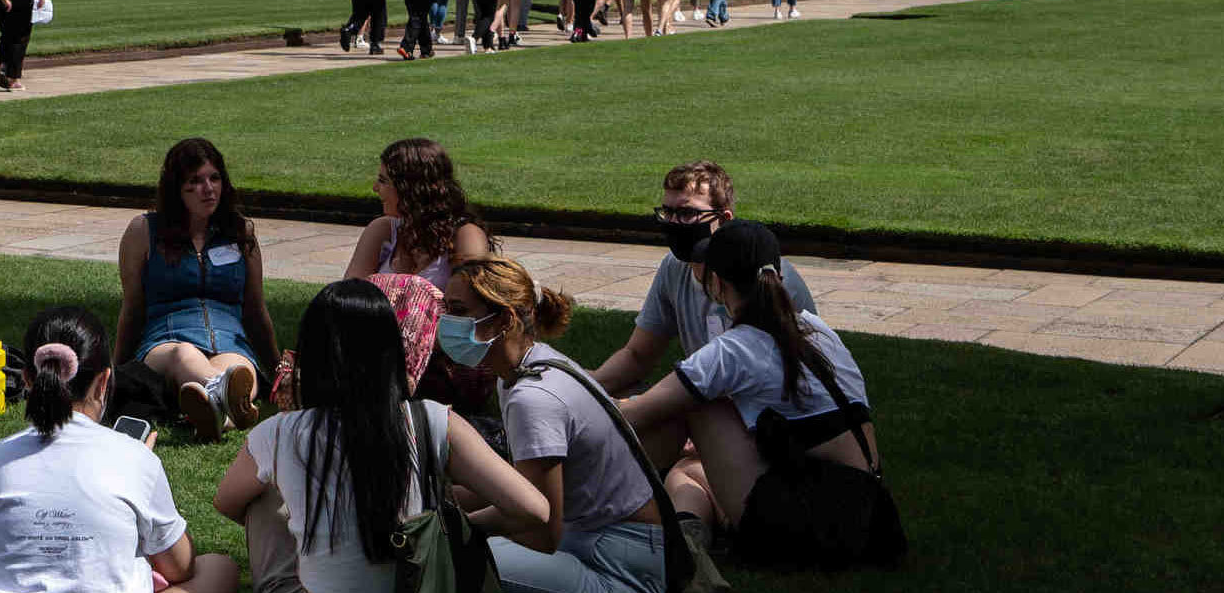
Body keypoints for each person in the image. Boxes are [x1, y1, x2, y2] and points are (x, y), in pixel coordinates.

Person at [216, 279, 550, 593]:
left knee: (261, 497)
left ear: (312, 355)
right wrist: (459, 527)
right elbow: (534, 510)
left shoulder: (277, 434)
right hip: (421, 579)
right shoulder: (432, 420)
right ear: (391, 351)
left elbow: (227, 502)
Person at [617, 224, 899, 569]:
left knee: (689, 405)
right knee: (689, 469)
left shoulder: (734, 349)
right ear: (778, 274)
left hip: (804, 529)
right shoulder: (819, 331)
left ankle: (606, 509)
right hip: (872, 518)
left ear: (716, 284)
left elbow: (635, 417)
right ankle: (681, 524)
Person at [0, 307, 239, 593]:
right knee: (218, 567)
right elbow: (179, 567)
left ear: (28, 380)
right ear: (104, 382)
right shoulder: (134, 459)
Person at [442, 257, 672, 593]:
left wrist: (452, 526)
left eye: (459, 310)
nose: (446, 321)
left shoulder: (532, 399)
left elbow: (539, 531)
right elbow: (519, 489)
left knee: (440, 555)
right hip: (597, 541)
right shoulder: (527, 368)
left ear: (503, 320)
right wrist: (438, 501)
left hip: (616, 566)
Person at [589, 161, 818, 400]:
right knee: (613, 395)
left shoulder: (765, 276)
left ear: (725, 219)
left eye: (688, 214)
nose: (674, 223)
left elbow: (789, 378)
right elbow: (638, 355)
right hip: (706, 396)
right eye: (668, 212)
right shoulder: (675, 267)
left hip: (764, 409)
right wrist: (586, 388)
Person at [115, 138, 278, 438]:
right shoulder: (144, 231)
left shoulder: (240, 231)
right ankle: (227, 402)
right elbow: (133, 308)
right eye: (196, 180)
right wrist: (116, 371)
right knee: (184, 354)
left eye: (214, 178)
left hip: (229, 340)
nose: (209, 188)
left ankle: (217, 417)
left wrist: (277, 370)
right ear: (177, 188)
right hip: (166, 341)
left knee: (240, 368)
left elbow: (256, 310)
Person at [341, 138, 491, 291]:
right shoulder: (382, 230)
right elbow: (349, 293)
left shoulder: (466, 235)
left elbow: (473, 301)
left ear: (411, 188)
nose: (375, 188)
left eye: (383, 181)